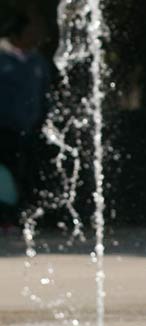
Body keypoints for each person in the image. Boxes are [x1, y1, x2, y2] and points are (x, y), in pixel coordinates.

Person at [0, 4, 50, 229]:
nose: (38, 33)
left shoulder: (38, 61)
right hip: (3, 130)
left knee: (27, 176)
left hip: (29, 130)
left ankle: (23, 220)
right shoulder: (2, 56)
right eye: (33, 28)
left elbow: (44, 95)